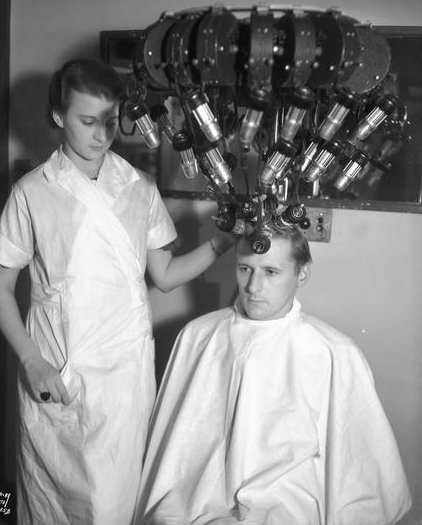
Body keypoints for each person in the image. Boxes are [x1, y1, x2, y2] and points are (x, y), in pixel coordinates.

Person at [0, 58, 236, 525]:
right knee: (54, 502)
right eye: (86, 121)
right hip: (58, 370)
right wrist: (31, 360)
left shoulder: (138, 186)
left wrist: (223, 241)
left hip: (124, 378)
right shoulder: (32, 192)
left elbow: (163, 274)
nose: (101, 134)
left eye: (109, 121)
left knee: (116, 505)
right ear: (59, 116)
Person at [133, 224, 412, 525]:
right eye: (245, 269)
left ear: (301, 274)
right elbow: (174, 459)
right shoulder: (199, 337)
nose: (254, 287)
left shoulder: (333, 352)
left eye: (271, 272)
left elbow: (364, 474)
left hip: (291, 503)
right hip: (198, 500)